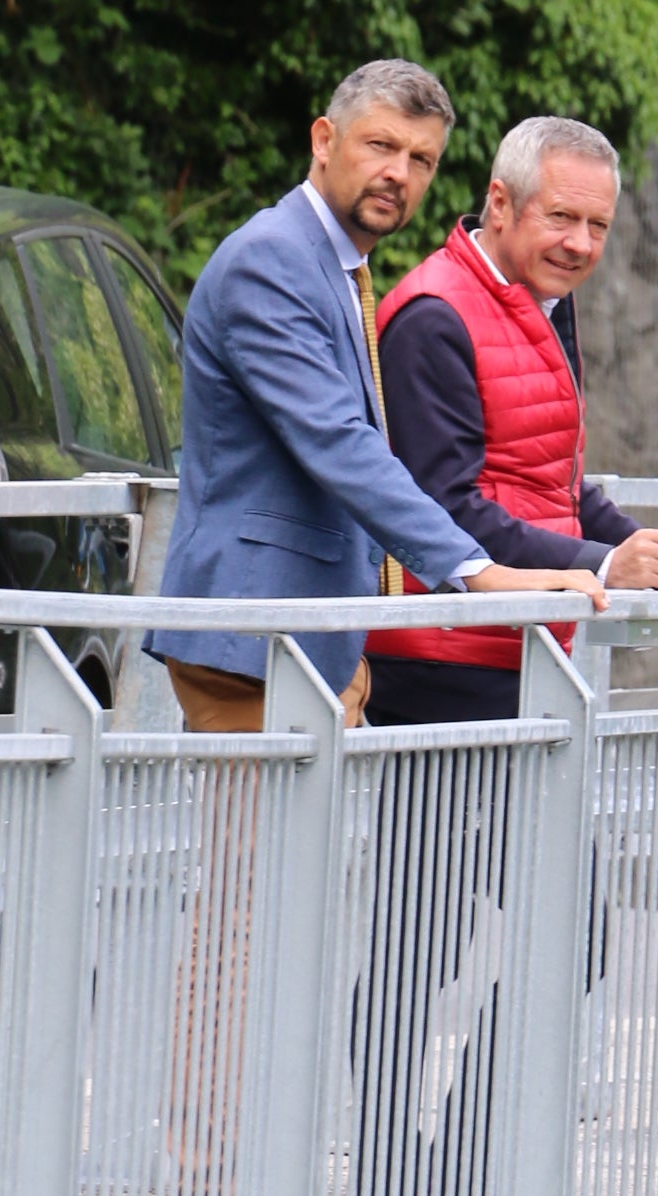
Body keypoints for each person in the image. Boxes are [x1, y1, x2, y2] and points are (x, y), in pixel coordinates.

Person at [155, 61, 604, 729]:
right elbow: (338, 441)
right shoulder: (271, 260)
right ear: (323, 140)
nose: (400, 172)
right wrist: (478, 572)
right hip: (255, 631)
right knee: (259, 837)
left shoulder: (334, 265)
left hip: (316, 636)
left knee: (308, 837)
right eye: (381, 146)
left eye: (421, 158)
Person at [365, 114, 658, 725]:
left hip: (515, 643)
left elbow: (551, 483)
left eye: (597, 225)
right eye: (561, 217)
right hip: (445, 656)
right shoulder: (434, 317)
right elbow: (441, 509)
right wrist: (604, 565)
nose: (580, 242)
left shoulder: (539, 299)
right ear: (500, 203)